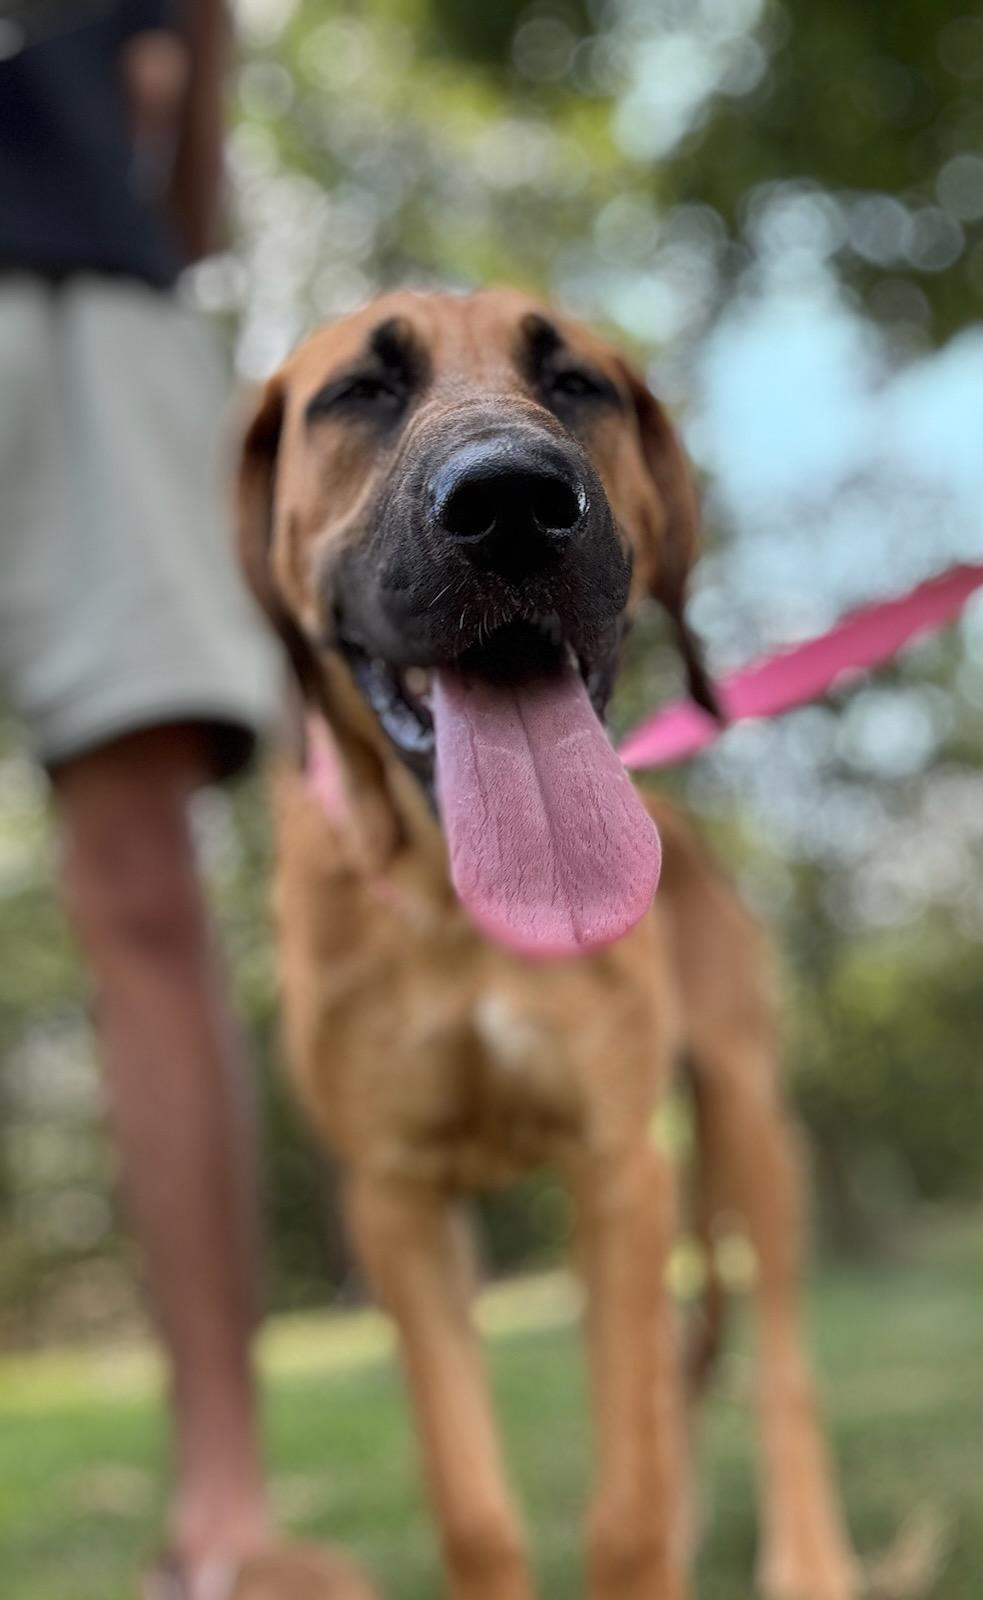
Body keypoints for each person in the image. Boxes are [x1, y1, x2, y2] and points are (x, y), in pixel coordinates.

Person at [0, 3, 284, 1593]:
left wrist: (193, 49)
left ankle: (223, 1513)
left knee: (144, 895)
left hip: (84, 302)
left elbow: (191, 202)